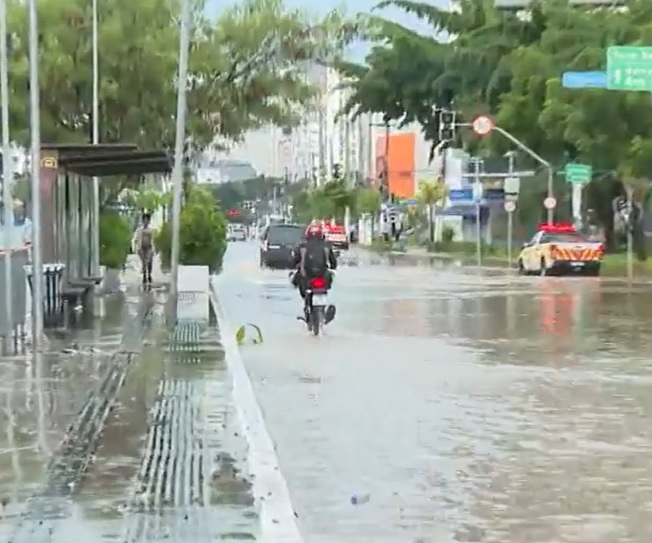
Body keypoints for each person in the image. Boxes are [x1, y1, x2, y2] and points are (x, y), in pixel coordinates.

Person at [291, 223, 337, 323]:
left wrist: (295, 265)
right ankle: (318, 313)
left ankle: (308, 309)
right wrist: (332, 267)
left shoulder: (302, 246)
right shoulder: (327, 246)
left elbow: (294, 261)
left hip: (307, 278)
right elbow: (333, 263)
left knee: (299, 284)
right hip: (322, 277)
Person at [134, 212, 154, 285]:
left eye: (147, 220)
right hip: (141, 248)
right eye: (144, 220)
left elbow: (153, 239)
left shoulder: (151, 230)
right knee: (144, 263)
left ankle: (149, 274)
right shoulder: (139, 230)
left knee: (149, 262)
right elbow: (136, 239)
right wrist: (136, 247)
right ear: (142, 221)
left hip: (149, 248)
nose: (146, 221)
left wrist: (154, 248)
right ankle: (145, 276)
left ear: (149, 221)